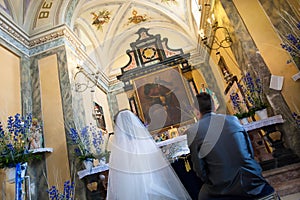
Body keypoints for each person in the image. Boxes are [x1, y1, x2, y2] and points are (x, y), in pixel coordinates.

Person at [185, 93, 279, 200]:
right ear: (214, 106)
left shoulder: (193, 131)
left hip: (223, 186)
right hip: (253, 179)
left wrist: (214, 180)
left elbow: (200, 169)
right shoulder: (233, 120)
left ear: (196, 111)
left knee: (202, 195)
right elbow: (250, 152)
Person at [106, 109, 191, 200]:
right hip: (152, 184)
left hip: (131, 191)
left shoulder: (119, 149)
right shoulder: (143, 142)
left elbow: (117, 179)